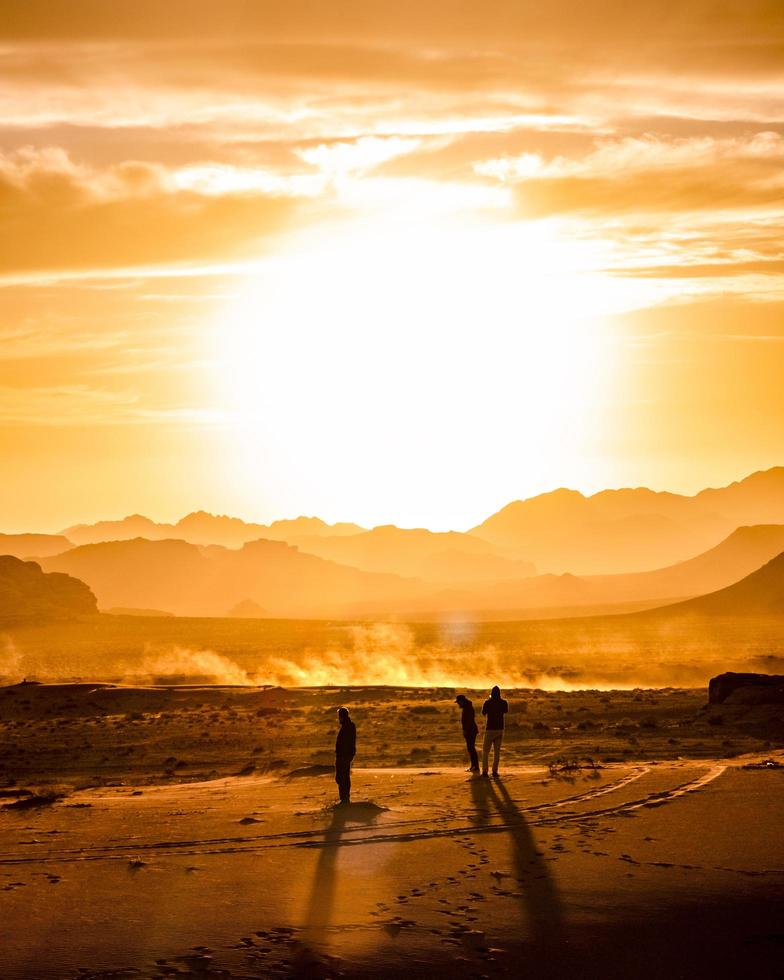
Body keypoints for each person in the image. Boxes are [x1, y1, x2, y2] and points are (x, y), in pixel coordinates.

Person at [481, 685, 508, 777]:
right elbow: (506, 711)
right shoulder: (503, 702)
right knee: (497, 752)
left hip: (490, 729)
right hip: (500, 729)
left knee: (485, 751)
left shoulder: (487, 703)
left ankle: (485, 771)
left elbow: (483, 713)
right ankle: (495, 771)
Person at [335, 706, 356, 804]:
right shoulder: (349, 725)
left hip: (344, 756)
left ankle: (344, 799)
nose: (338, 718)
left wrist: (343, 755)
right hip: (346, 755)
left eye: (339, 716)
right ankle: (345, 798)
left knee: (341, 777)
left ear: (341, 716)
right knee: (343, 777)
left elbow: (347, 743)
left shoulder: (347, 726)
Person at [455, 694, 479, 772]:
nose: (458, 704)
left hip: (470, 731)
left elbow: (468, 721)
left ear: (462, 701)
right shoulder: (467, 707)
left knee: (471, 748)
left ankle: (475, 766)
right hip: (471, 730)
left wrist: (466, 730)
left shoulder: (468, 708)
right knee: (471, 748)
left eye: (458, 702)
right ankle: (474, 766)